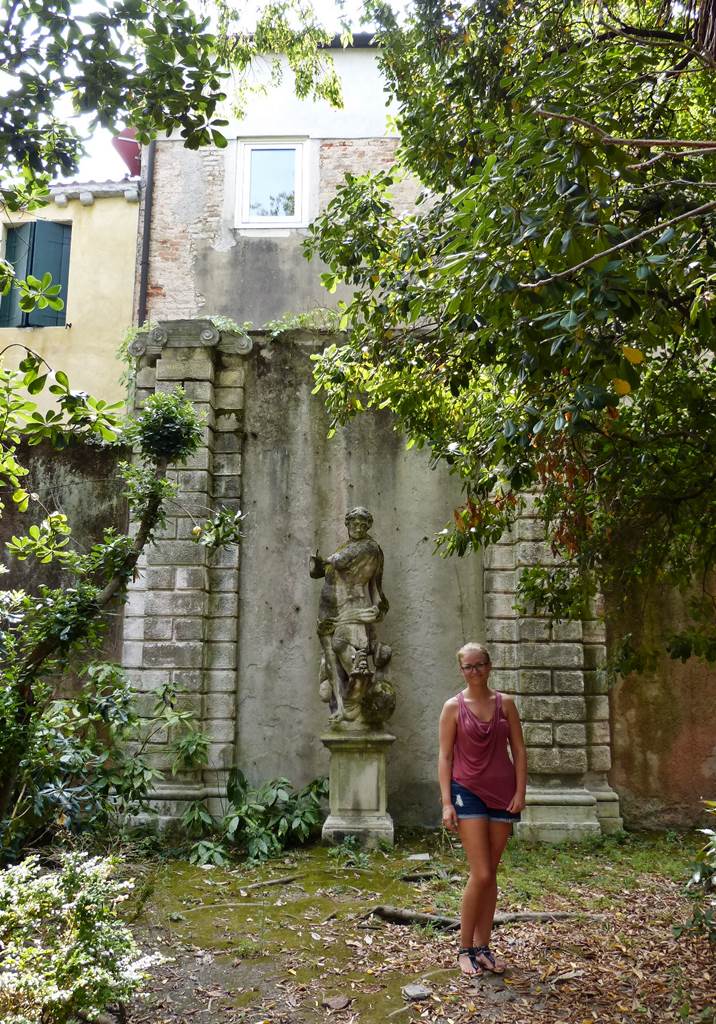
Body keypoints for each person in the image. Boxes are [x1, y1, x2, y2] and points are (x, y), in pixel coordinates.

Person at [438, 642, 527, 976]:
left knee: (491, 874)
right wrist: (447, 802)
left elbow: (518, 749)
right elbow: (445, 756)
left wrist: (520, 791)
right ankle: (464, 948)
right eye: (468, 667)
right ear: (461, 671)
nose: (474, 672)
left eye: (480, 665)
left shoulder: (506, 704)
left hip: (503, 794)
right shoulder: (452, 707)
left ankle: (483, 947)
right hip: (467, 792)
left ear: (489, 667)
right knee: (482, 872)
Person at [309, 507, 391, 723]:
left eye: (363, 524)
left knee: (345, 649)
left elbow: (342, 561)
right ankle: (342, 711)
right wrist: (318, 565)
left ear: (368, 527)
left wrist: (325, 561)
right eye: (354, 524)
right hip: (331, 612)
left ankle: (358, 707)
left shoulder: (368, 548)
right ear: (347, 525)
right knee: (332, 665)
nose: (358, 528)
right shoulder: (348, 546)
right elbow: (326, 570)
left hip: (353, 608)